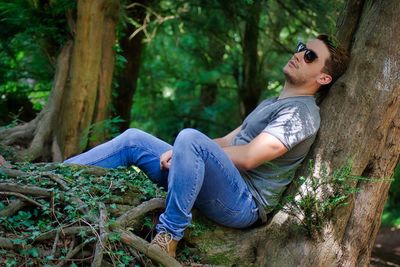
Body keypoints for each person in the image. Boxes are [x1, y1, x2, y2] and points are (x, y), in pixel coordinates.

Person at [64, 34, 349, 257]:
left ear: (323, 78)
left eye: (310, 55)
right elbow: (226, 141)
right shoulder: (274, 102)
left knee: (189, 138)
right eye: (301, 47)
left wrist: (192, 152)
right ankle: (57, 177)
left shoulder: (301, 113)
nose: (299, 54)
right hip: (218, 183)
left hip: (243, 203)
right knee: (134, 139)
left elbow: (250, 157)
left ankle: (168, 238)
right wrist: (184, 154)